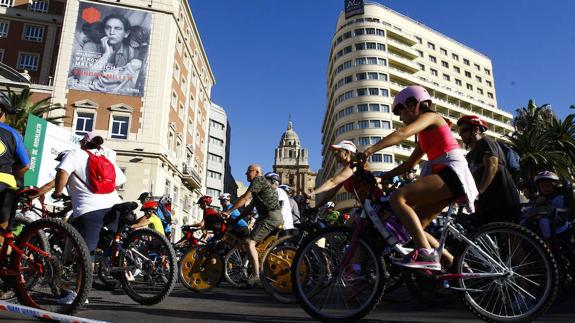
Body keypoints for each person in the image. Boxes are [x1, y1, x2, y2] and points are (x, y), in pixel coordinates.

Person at [360, 85, 478, 270]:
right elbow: (409, 164)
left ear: (413, 104)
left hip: (451, 173)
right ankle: (457, 268)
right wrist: (385, 176)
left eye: (400, 112)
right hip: (448, 178)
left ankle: (425, 254)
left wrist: (370, 150)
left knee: (398, 198)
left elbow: (401, 134)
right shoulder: (425, 135)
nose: (400, 118)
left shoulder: (432, 117)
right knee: (416, 227)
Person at [52, 131, 126, 254]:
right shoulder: (106, 159)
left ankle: (84, 272)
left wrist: (58, 192)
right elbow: (120, 181)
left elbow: (62, 172)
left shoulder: (76, 153)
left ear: (83, 143)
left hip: (90, 210)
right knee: (109, 248)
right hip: (115, 207)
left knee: (86, 254)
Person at [222, 164, 283, 285]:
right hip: (273, 218)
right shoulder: (261, 186)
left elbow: (245, 198)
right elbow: (249, 208)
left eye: (248, 171)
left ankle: (256, 275)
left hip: (270, 218)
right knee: (259, 247)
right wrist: (236, 219)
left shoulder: (259, 180)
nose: (245, 173)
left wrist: (228, 211)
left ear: (256, 172)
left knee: (249, 242)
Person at [457, 115, 521, 224]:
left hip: (503, 198)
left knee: (506, 235)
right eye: (460, 132)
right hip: (486, 203)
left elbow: (492, 166)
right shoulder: (469, 156)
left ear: (476, 129)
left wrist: (478, 192)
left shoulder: (485, 142)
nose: (461, 135)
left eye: (464, 131)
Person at [0, 91, 30, 245]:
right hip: (7, 186)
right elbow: (26, 165)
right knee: (3, 230)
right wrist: (13, 176)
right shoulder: (13, 134)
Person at [520, 171, 569, 243]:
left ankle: (547, 242)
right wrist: (537, 204)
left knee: (543, 222)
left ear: (554, 186)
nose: (545, 189)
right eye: (542, 186)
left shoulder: (558, 197)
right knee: (524, 221)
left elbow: (556, 208)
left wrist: (546, 202)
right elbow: (532, 207)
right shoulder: (540, 197)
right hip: (545, 218)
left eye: (548, 186)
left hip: (557, 222)